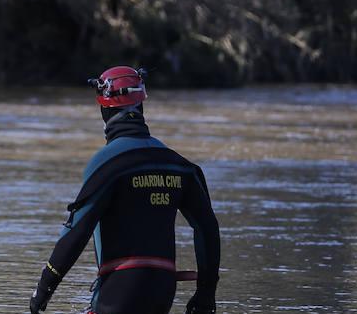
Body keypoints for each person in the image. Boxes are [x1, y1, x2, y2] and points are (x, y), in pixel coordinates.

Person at [28, 66, 220, 314]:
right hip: (162, 292)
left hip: (117, 292)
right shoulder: (181, 167)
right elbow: (207, 229)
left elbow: (77, 231)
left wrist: (44, 289)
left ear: (104, 110)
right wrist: (206, 294)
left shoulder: (106, 165)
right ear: (140, 107)